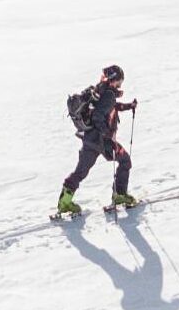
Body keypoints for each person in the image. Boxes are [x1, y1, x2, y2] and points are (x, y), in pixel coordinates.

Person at [57, 65, 138, 215]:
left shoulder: (101, 90)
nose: (120, 84)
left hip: (90, 139)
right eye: (120, 81)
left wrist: (128, 106)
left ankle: (64, 202)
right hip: (102, 141)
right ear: (114, 80)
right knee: (125, 160)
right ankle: (119, 195)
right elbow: (98, 116)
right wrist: (108, 133)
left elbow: (110, 107)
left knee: (81, 171)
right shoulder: (108, 94)